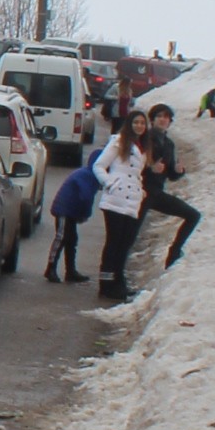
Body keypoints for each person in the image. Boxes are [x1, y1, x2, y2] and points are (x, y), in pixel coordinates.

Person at [90, 111, 149, 302]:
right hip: (116, 199)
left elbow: (137, 172)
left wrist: (141, 189)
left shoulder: (143, 146)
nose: (139, 126)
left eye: (142, 123)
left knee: (125, 243)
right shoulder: (119, 141)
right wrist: (110, 183)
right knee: (113, 243)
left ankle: (118, 282)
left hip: (133, 199)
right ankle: (106, 284)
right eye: (136, 122)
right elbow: (98, 165)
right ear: (129, 124)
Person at [140, 103, 202, 269]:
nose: (163, 120)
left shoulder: (169, 144)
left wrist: (178, 170)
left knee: (193, 215)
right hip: (140, 192)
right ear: (152, 120)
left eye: (166, 117)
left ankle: (174, 252)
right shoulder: (145, 139)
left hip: (157, 193)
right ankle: (114, 279)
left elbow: (171, 175)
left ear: (170, 122)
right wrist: (150, 167)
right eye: (159, 116)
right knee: (128, 236)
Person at [43, 154, 98, 284]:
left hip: (71, 210)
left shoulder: (89, 175)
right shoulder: (88, 176)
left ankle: (70, 271)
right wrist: (85, 214)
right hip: (64, 209)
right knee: (62, 237)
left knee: (72, 239)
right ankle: (50, 268)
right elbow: (86, 197)